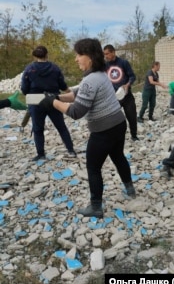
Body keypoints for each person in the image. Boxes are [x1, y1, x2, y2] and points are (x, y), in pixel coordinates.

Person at [38, 38, 136, 218]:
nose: (76, 59)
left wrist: (53, 102)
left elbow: (76, 112)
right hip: (118, 124)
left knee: (93, 166)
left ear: (90, 57)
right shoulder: (100, 75)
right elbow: (78, 93)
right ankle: (130, 189)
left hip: (104, 130)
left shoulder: (91, 79)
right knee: (118, 156)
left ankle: (96, 207)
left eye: (79, 55)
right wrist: (58, 96)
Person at [21, 45, 76, 161]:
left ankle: (41, 154)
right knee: (61, 126)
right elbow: (62, 85)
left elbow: (24, 89)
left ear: (35, 56)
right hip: (53, 100)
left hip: (36, 102)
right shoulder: (55, 68)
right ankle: (71, 150)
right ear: (47, 55)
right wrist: (71, 93)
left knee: (38, 129)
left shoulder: (29, 69)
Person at [103, 44, 139, 141]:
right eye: (104, 54)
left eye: (107, 54)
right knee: (112, 118)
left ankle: (134, 135)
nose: (105, 56)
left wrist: (127, 85)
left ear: (113, 52)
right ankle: (114, 137)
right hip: (114, 97)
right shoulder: (105, 66)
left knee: (132, 116)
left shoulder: (124, 63)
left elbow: (132, 76)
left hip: (127, 96)